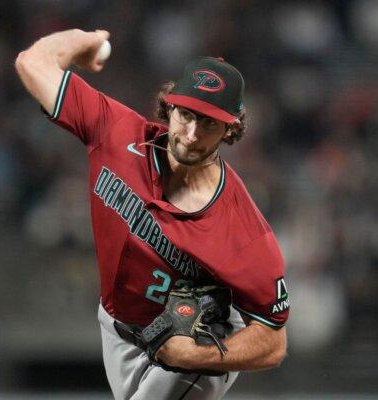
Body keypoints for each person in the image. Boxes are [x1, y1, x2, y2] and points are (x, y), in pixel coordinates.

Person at [15, 29, 289, 400]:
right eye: (187, 114)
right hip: (116, 325)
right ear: (169, 106)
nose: (192, 134)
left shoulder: (243, 230)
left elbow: (273, 341)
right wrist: (84, 40)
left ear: (231, 128)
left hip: (198, 349)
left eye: (209, 122)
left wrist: (197, 355)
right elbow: (32, 63)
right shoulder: (115, 131)